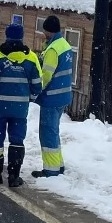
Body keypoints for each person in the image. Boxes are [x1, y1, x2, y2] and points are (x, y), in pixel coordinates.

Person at [0, 22, 43, 187]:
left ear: (6, 36)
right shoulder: (31, 58)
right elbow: (38, 84)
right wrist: (30, 98)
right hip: (20, 109)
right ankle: (14, 176)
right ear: (22, 37)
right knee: (17, 140)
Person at [32, 15, 74, 178]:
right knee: (53, 131)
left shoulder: (53, 50)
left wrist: (35, 90)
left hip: (52, 97)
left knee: (48, 133)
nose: (43, 33)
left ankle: (51, 170)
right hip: (63, 96)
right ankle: (58, 165)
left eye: (44, 31)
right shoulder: (65, 45)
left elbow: (46, 75)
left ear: (48, 31)